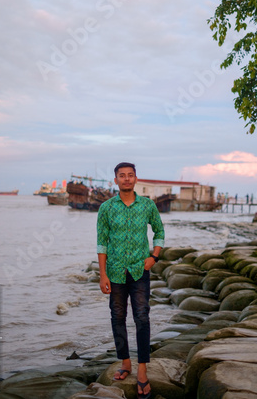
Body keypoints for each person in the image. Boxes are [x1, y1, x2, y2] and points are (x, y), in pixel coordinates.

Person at [97, 162, 165, 399]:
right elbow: (102, 242)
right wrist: (102, 273)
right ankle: (125, 362)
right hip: (114, 271)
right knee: (117, 316)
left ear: (136, 179)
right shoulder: (106, 207)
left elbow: (159, 231)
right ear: (115, 180)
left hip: (139, 270)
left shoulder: (147, 205)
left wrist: (154, 257)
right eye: (121, 176)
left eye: (130, 175)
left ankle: (143, 370)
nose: (126, 179)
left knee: (142, 317)